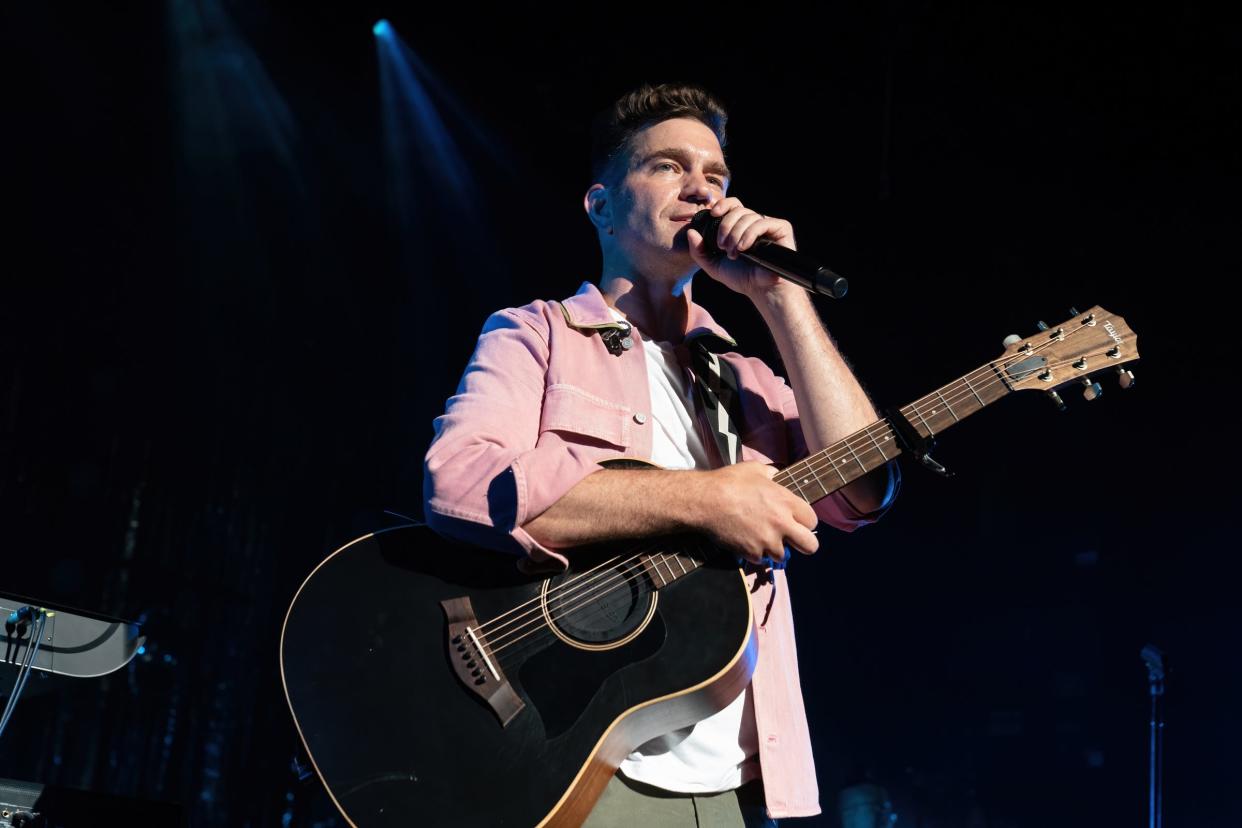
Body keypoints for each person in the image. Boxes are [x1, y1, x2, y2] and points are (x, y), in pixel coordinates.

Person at [423, 83, 899, 826]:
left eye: (716, 176)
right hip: (592, 764)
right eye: (669, 167)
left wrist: (783, 302)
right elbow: (461, 482)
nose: (702, 190)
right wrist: (706, 500)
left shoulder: (747, 375)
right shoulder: (536, 335)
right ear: (600, 205)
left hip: (743, 781)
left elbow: (864, 487)